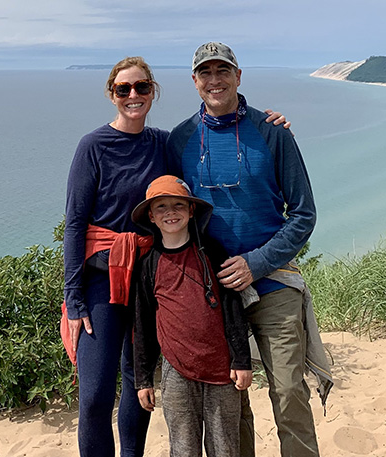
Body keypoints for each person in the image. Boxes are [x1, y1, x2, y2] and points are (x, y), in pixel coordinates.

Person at [63, 55, 289, 457]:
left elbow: (195, 172)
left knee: (138, 381)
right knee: (96, 394)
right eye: (124, 89)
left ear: (153, 92)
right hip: (102, 279)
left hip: (148, 277)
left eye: (142, 87)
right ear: (112, 95)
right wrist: (75, 299)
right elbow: (75, 225)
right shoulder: (92, 146)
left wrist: (266, 123)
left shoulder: (163, 143)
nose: (134, 95)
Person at [167, 42, 333, 457]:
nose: (215, 80)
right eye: (205, 73)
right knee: (230, 401)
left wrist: (256, 263)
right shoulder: (180, 139)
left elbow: (303, 214)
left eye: (223, 71)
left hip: (273, 283)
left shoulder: (273, 132)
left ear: (238, 77)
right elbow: (165, 206)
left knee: (288, 392)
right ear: (194, 82)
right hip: (215, 291)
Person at [131, 175, 252, 457]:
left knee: (225, 447)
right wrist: (143, 380)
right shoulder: (148, 265)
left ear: (191, 210)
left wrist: (242, 360)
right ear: (151, 215)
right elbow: (144, 325)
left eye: (178, 205)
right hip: (176, 370)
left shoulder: (213, 253)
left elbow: (233, 309)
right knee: (183, 448)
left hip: (223, 368)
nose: (170, 212)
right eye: (161, 207)